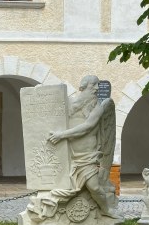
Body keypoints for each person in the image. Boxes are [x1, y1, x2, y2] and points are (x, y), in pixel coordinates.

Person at [48, 75, 118, 217]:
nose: (97, 89)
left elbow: (87, 126)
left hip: (87, 156)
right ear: (83, 86)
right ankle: (55, 214)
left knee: (94, 187)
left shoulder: (98, 106)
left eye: (98, 85)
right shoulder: (68, 103)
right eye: (94, 85)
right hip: (69, 153)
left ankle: (106, 210)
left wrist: (61, 135)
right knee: (61, 186)